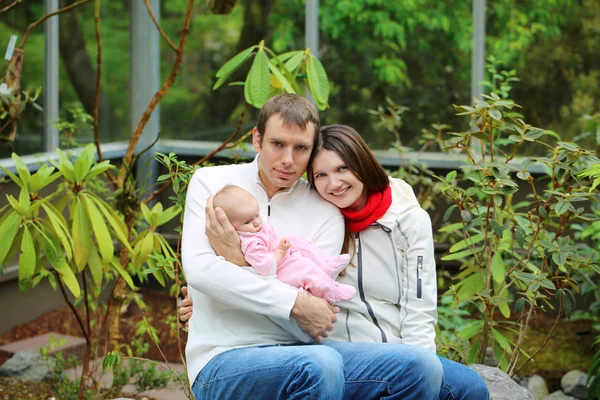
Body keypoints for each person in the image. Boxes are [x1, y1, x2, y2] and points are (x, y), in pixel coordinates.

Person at [181, 110, 490, 399]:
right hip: (309, 349)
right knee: (321, 363)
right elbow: (203, 272)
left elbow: (316, 311)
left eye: (300, 148)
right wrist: (213, 291)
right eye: (322, 175)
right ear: (257, 139)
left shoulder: (333, 213)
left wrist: (236, 264)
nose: (334, 183)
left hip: (344, 348)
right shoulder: (216, 186)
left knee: (458, 383)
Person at [212, 184, 355, 303]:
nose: (256, 222)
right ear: (231, 224)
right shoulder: (250, 243)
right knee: (306, 269)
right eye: (247, 221)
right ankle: (331, 291)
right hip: (280, 270)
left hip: (284, 256)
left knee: (301, 243)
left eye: (257, 215)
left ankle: (326, 264)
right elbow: (265, 267)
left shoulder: (254, 230)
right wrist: (281, 250)